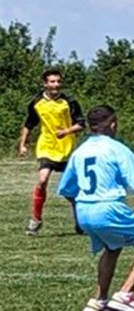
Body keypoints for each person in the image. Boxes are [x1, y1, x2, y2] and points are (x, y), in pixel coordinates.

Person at [58, 105, 134, 311]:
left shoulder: (79, 151)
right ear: (112, 124)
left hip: (84, 210)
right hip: (108, 207)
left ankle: (99, 300)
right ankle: (125, 295)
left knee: (112, 247)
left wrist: (81, 207)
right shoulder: (117, 148)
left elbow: (67, 189)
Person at [19, 68, 86, 236]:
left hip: (67, 149)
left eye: (58, 81)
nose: (56, 85)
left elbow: (81, 124)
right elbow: (29, 124)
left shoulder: (69, 101)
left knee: (71, 190)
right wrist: (23, 144)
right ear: (45, 84)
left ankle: (80, 221)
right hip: (46, 147)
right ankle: (36, 220)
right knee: (42, 180)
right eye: (52, 81)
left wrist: (67, 131)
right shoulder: (36, 102)